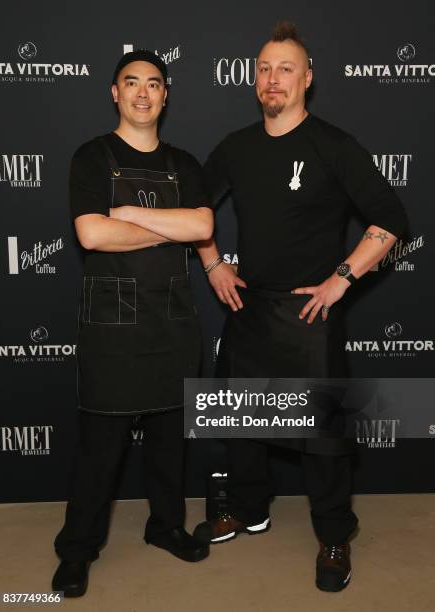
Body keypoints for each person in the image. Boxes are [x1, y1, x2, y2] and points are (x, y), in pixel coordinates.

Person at [193, 22, 407, 592]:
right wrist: (214, 263)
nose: (272, 79)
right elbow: (196, 211)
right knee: (240, 421)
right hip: (249, 307)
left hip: (310, 314)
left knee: (323, 440)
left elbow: (392, 221)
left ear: (307, 78)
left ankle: (335, 534)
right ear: (253, 79)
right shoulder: (236, 147)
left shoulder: (333, 145)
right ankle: (247, 508)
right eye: (263, 68)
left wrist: (341, 279)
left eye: (285, 68)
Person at [52, 50, 213, 597]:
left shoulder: (186, 164)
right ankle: (78, 547)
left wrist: (129, 215)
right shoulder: (91, 157)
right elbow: (92, 236)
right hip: (111, 325)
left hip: (172, 321)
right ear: (114, 93)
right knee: (100, 448)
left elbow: (203, 225)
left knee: (170, 442)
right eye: (131, 83)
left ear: (166, 95)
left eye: (154, 83)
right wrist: (171, 227)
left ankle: (164, 525)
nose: (143, 93)